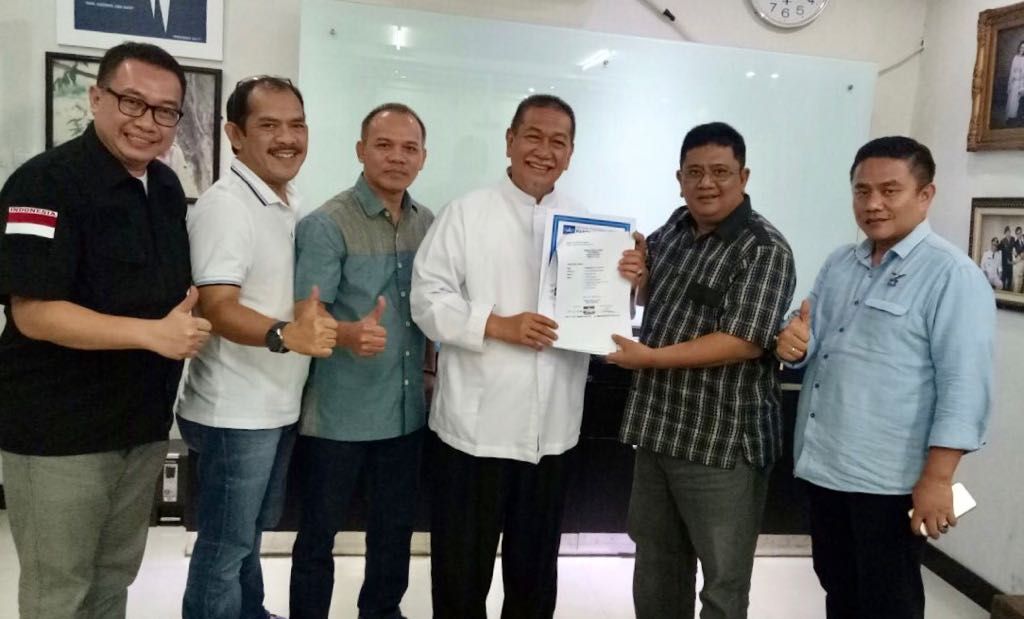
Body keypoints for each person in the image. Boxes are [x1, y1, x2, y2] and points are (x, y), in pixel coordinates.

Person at [0, 42, 209, 619]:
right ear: (97, 98)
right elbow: (34, 312)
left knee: (114, 579)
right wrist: (152, 335)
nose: (147, 122)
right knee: (59, 592)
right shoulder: (43, 184)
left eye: (165, 111)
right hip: (60, 432)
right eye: (132, 102)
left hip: (140, 425)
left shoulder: (164, 188)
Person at [776, 136, 995, 619]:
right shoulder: (840, 263)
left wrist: (938, 479)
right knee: (838, 588)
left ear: (925, 195)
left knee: (888, 601)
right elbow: (812, 340)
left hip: (889, 481)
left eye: (889, 190)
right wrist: (794, 344)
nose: (873, 203)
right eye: (862, 191)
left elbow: (964, 386)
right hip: (825, 466)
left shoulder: (951, 275)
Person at [410, 94, 589, 618]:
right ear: (510, 141)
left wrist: (628, 281)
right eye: (533, 136)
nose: (544, 151)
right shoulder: (466, 213)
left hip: (551, 432)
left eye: (558, 141)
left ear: (570, 153)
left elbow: (600, 318)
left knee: (535, 578)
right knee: (461, 576)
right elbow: (427, 299)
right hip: (475, 433)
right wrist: (497, 324)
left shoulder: (588, 226)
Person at [608, 122, 796, 619]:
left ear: (743, 176)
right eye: (694, 172)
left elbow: (743, 340)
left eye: (720, 172)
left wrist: (650, 358)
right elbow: (654, 297)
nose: (706, 183)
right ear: (679, 179)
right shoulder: (674, 227)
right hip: (658, 430)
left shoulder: (764, 249)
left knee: (722, 585)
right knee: (657, 568)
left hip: (722, 444)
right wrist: (637, 278)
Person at [175, 76, 338, 619]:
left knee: (247, 535)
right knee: (224, 547)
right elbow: (217, 307)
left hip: (274, 404)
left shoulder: (287, 201)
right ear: (235, 135)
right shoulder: (227, 207)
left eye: (296, 125)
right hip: (234, 412)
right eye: (269, 125)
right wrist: (285, 335)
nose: (286, 138)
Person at [289, 103, 434, 619]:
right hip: (339, 415)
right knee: (318, 535)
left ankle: (382, 611)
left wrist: (431, 370)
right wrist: (348, 334)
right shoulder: (327, 224)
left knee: (393, 532)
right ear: (360, 150)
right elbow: (307, 315)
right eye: (384, 145)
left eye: (409, 148)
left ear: (423, 158)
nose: (397, 157)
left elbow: (432, 307)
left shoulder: (428, 224)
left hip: (405, 414)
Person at [1005, 41, 1024, 124]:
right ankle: (1010, 118)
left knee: (1017, 103)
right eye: (1021, 47)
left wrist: (1022, 87)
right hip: (1013, 83)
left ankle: (1016, 118)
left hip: (1020, 84)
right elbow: (1012, 72)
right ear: (1019, 47)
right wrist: (1010, 84)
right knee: (1011, 101)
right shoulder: (1015, 58)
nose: (1022, 49)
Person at [999, 225, 1015, 291]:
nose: (1008, 233)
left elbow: (1015, 248)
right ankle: (1003, 290)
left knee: (1010, 277)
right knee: (1004, 277)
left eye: (1009, 232)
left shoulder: (1013, 239)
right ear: (1005, 233)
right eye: (1007, 232)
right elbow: (999, 249)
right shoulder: (1002, 241)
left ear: (1010, 232)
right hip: (1004, 262)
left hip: (1011, 262)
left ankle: (1008, 290)